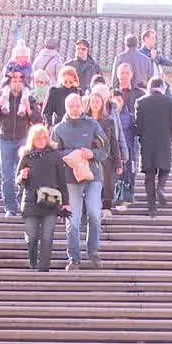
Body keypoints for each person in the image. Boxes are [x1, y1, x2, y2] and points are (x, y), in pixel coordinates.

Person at [51, 93, 106, 270]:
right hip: (70, 178)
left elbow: (105, 147)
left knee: (94, 214)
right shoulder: (59, 129)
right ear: (66, 108)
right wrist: (69, 155)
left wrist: (93, 154)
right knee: (72, 220)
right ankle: (74, 257)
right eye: (71, 106)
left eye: (77, 105)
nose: (75, 109)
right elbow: (52, 153)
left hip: (93, 176)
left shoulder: (93, 125)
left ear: (82, 106)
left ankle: (93, 251)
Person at [0, 65, 42, 217]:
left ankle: (21, 201)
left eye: (19, 80)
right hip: (4, 138)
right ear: (9, 81)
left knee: (25, 173)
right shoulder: (1, 94)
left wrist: (28, 108)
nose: (17, 83)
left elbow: (38, 120)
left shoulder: (29, 97)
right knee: (7, 175)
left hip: (23, 138)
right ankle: (10, 206)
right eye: (14, 80)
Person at [16, 124, 69, 272]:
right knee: (32, 237)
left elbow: (62, 181)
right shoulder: (27, 155)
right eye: (37, 138)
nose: (41, 140)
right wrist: (23, 176)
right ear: (32, 139)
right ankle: (33, 260)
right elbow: (18, 179)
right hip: (31, 202)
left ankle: (43, 267)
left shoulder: (55, 155)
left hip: (50, 202)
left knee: (47, 236)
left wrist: (66, 203)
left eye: (43, 137)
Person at [132, 77, 172, 218]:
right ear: (162, 87)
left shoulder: (140, 102)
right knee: (165, 168)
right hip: (164, 140)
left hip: (147, 142)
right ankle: (161, 188)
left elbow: (138, 126)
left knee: (149, 175)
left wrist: (141, 135)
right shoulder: (170, 101)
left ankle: (151, 207)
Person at [87, 88, 125, 216]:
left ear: (102, 104)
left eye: (97, 102)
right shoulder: (84, 121)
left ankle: (106, 207)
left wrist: (118, 163)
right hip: (89, 157)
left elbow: (114, 142)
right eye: (92, 102)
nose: (95, 105)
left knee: (107, 183)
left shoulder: (109, 120)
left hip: (106, 157)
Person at [115, 63, 145, 207]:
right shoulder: (113, 93)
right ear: (117, 75)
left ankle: (130, 192)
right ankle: (118, 193)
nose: (125, 75)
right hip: (116, 134)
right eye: (122, 73)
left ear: (131, 75)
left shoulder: (139, 93)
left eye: (127, 73)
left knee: (132, 162)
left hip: (132, 133)